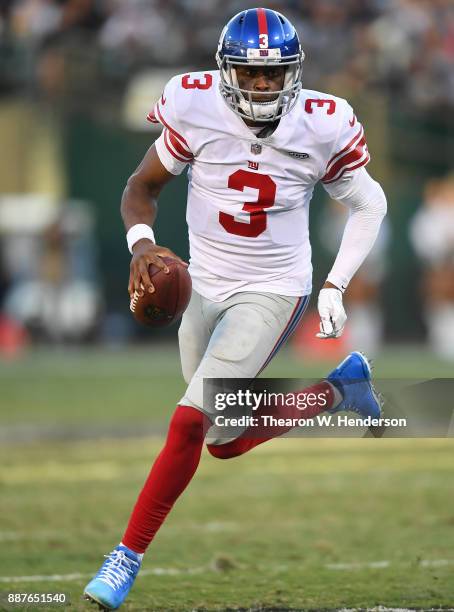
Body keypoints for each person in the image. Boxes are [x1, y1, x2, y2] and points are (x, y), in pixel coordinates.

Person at [84, 8, 387, 610]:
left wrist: (333, 285)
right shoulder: (193, 105)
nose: (264, 86)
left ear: (294, 74)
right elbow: (141, 188)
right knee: (219, 441)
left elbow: (370, 203)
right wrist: (141, 246)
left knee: (189, 422)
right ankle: (338, 391)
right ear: (226, 72)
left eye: (275, 74)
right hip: (202, 281)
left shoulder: (322, 122)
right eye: (251, 73)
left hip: (273, 288)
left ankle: (125, 558)